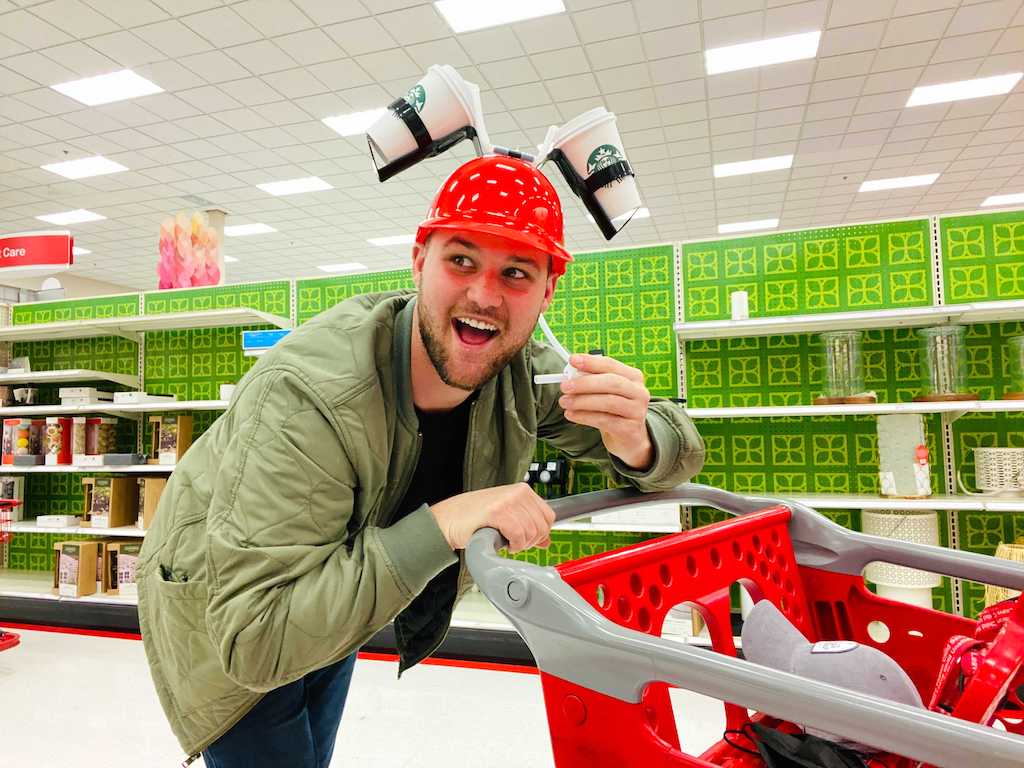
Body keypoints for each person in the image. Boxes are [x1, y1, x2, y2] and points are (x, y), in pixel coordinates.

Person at [136, 154, 705, 767]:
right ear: (418, 261)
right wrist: (446, 523)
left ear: (547, 292)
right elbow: (257, 644)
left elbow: (680, 454)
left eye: (516, 272)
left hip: (339, 573)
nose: (484, 294)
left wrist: (636, 439)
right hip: (230, 602)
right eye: (461, 260)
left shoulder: (520, 370)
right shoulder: (309, 394)